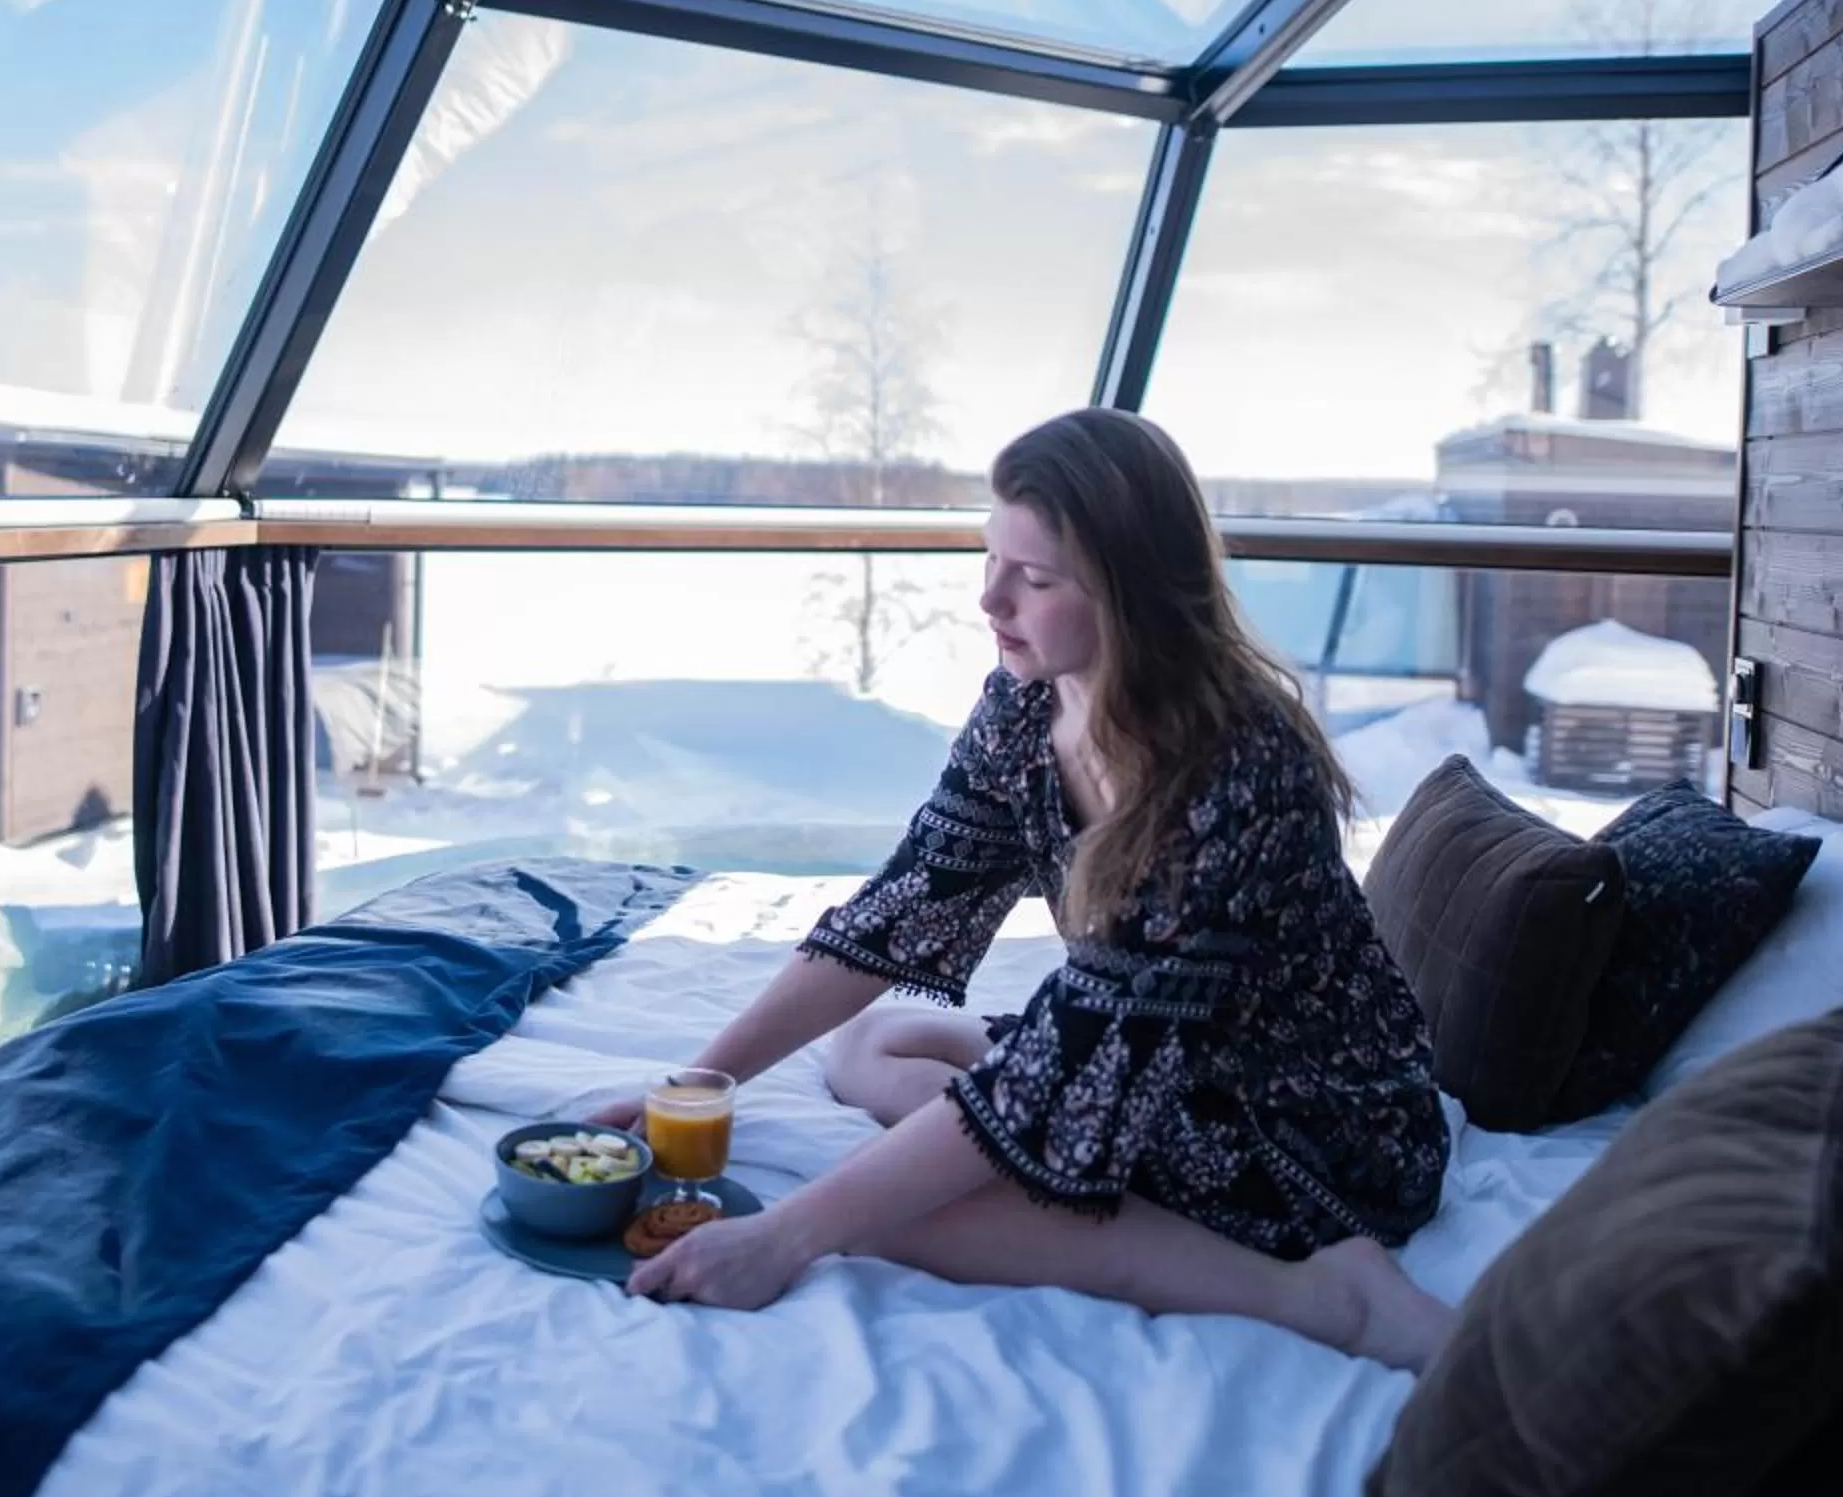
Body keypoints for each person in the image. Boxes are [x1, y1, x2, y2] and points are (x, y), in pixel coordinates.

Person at [598, 408, 1455, 1371]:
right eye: (990, 558)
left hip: (1309, 1121)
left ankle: (1321, 1298)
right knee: (873, 1044)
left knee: (899, 1220)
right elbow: (906, 905)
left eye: (1036, 579)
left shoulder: (1235, 771)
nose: (990, 599)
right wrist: (693, 1088)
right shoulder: (1027, 701)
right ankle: (1047, 1176)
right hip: (1149, 1060)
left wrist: (783, 1237)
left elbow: (1071, 1055)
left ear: (1133, 597)